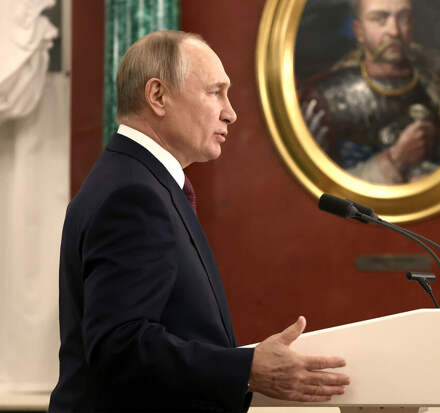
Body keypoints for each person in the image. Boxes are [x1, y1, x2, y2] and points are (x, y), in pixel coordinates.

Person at [48, 30, 350, 413]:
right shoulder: (133, 195)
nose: (230, 112)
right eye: (215, 92)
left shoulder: (137, 181)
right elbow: (119, 346)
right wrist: (246, 369)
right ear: (158, 96)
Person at [299, 0, 440, 184]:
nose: (394, 31)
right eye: (380, 19)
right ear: (359, 31)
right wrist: (395, 159)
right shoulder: (324, 99)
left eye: (403, 18)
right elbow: (320, 187)